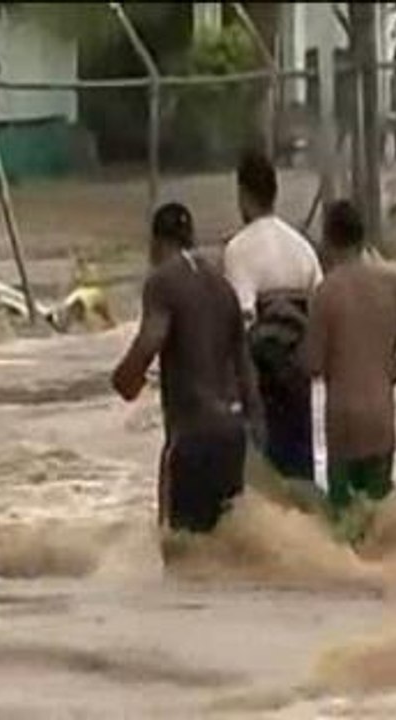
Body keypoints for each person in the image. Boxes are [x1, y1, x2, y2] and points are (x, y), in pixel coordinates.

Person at [112, 202, 264, 537]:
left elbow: (151, 340)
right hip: (232, 435)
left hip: (192, 435)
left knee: (180, 547)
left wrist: (124, 379)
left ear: (156, 243)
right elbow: (245, 369)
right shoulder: (222, 286)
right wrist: (255, 432)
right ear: (191, 237)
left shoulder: (162, 281)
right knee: (224, 545)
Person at [303, 201, 396, 518]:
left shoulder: (326, 293)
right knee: (380, 519)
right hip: (381, 418)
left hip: (343, 423)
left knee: (346, 522)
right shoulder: (391, 284)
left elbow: (312, 364)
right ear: (363, 239)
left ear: (328, 240)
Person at [224, 150, 323, 486]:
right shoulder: (303, 248)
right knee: (300, 483)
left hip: (260, 388)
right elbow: (321, 317)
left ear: (242, 194)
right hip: (299, 385)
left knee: (263, 487)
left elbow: (242, 323)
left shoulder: (239, 249)